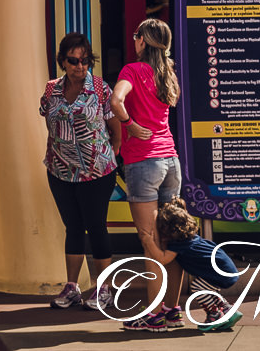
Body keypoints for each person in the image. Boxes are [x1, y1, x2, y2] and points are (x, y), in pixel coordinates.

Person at [39, 32, 121, 310]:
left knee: (96, 226)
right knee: (72, 226)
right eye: (73, 61)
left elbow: (114, 126)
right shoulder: (51, 89)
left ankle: (104, 288)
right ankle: (72, 287)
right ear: (63, 61)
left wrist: (112, 151)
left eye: (85, 60)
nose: (80, 66)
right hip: (60, 170)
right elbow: (48, 119)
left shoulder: (99, 88)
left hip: (96, 171)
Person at [112, 18, 182, 333]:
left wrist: (129, 125)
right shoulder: (168, 72)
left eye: (135, 35)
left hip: (144, 162)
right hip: (171, 161)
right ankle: (172, 311)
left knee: (150, 241)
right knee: (172, 238)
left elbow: (116, 100)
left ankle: (153, 315)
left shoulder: (132, 70)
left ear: (141, 40)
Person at [153, 197, 242, 331]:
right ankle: (226, 308)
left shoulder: (179, 244)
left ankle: (214, 314)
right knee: (206, 288)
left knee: (197, 287)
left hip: (220, 272)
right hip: (225, 269)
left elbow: (163, 259)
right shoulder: (190, 238)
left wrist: (148, 241)